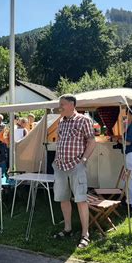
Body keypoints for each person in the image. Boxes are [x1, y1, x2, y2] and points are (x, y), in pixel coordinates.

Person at [52, 94, 96, 249]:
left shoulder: (83, 120)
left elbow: (92, 141)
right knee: (63, 199)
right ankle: (68, 229)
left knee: (81, 200)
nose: (60, 107)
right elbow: (60, 142)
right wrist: (56, 161)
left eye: (62, 104)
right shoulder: (62, 122)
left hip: (76, 166)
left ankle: (85, 234)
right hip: (60, 166)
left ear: (71, 104)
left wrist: (82, 161)